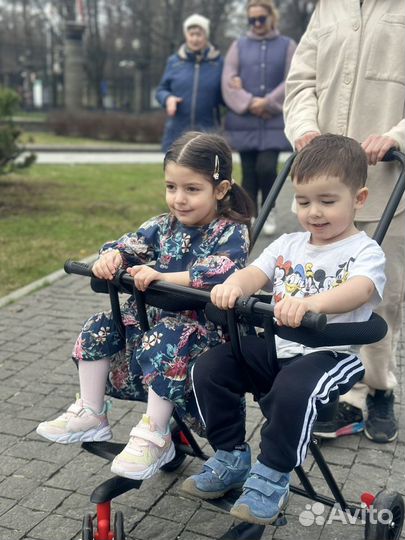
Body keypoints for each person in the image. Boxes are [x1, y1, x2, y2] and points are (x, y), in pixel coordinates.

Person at [180, 135, 386, 525]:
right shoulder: (289, 243)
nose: (314, 212)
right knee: (210, 368)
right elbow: (255, 272)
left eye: (328, 201)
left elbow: (360, 289)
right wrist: (234, 286)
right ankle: (230, 456)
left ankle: (273, 476)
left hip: (328, 355)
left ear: (359, 199)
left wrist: (312, 304)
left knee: (294, 392)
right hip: (278, 348)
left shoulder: (364, 252)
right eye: (304, 201)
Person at [36, 132, 254, 481]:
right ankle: (92, 412)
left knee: (166, 337)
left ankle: (156, 432)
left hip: (205, 332)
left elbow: (223, 269)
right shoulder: (162, 226)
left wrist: (165, 277)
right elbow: (129, 244)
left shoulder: (230, 232)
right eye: (171, 187)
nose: (178, 199)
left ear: (221, 189)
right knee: (100, 326)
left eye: (191, 189)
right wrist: (111, 258)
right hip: (155, 323)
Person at [283, 0, 405, 443]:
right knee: (319, 289)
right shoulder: (328, 8)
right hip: (323, 188)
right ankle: (331, 384)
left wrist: (396, 135)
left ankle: (377, 388)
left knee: (382, 299)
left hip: (387, 184)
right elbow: (301, 83)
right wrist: (304, 129)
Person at [221, 0, 296, 235]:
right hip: (246, 122)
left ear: (271, 17)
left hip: (272, 121)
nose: (256, 24)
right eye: (251, 20)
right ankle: (250, 216)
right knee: (248, 172)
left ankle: (270, 208)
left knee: (266, 167)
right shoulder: (239, 46)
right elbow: (228, 79)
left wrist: (269, 102)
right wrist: (250, 102)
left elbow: (293, 78)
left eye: (261, 18)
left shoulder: (286, 45)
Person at [155, 14, 223, 153]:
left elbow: (226, 96)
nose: (195, 39)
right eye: (191, 34)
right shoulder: (174, 62)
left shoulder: (218, 63)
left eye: (199, 34)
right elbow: (161, 89)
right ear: (186, 35)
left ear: (206, 36)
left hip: (208, 132)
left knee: (206, 173)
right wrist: (168, 98)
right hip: (177, 132)